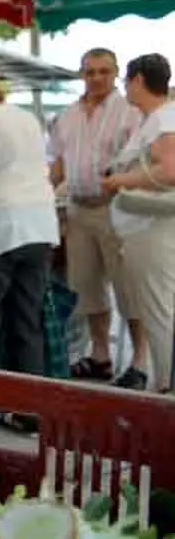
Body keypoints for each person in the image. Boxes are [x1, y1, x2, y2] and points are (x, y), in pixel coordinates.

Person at [50, 48, 148, 389]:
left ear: (116, 73)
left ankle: (139, 362)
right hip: (77, 209)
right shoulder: (67, 116)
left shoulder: (131, 114)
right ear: (81, 75)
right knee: (86, 287)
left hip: (117, 209)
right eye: (90, 72)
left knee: (128, 289)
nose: (96, 78)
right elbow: (57, 165)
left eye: (104, 72)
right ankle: (101, 356)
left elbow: (142, 163)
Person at [0, 75, 59, 427]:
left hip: (0, 223)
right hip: (40, 223)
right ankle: (29, 409)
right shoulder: (26, 118)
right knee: (28, 319)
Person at [103, 53, 175, 393]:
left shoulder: (165, 119)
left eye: (125, 80)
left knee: (161, 309)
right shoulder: (154, 119)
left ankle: (166, 387)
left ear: (138, 80)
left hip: (154, 228)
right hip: (143, 229)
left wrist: (122, 181)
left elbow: (170, 170)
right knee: (157, 308)